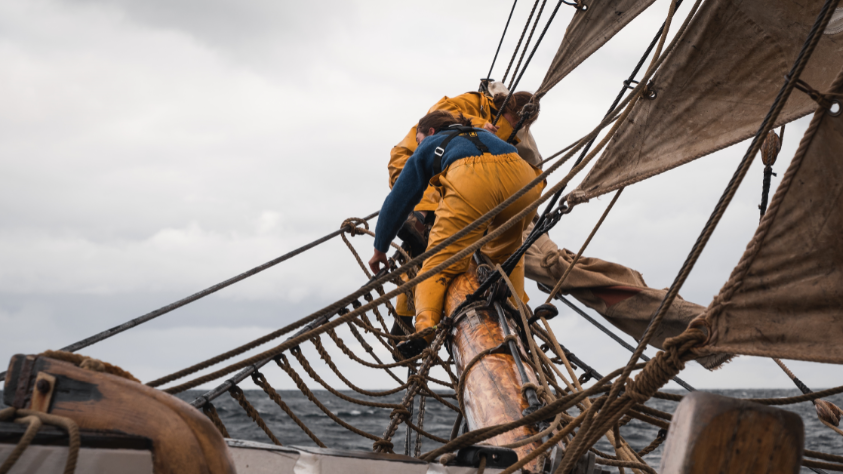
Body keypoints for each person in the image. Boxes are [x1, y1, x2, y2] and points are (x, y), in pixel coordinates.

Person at [370, 110, 544, 355]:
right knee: (508, 256)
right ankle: (519, 319)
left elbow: (399, 200)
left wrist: (380, 248)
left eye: (418, 139)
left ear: (430, 132)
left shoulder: (430, 143)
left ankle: (425, 329)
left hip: (473, 179)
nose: (419, 144)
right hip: (524, 179)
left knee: (439, 263)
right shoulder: (484, 134)